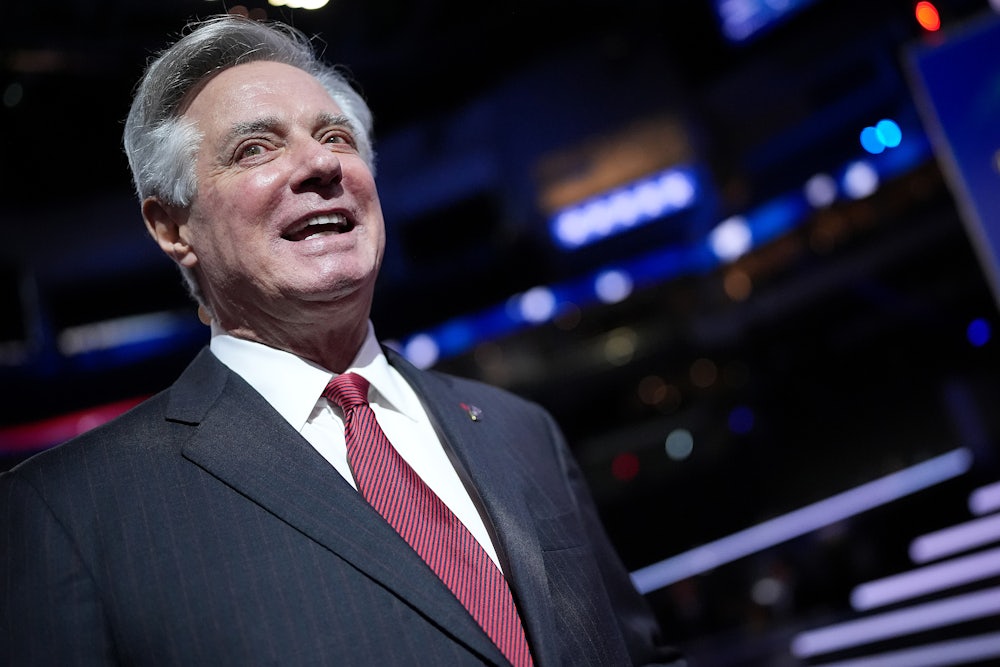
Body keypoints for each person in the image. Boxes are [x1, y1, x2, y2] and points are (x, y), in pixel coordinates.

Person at [0, 14, 683, 666]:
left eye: (335, 137)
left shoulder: (521, 430)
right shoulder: (67, 516)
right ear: (173, 226)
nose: (319, 165)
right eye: (255, 148)